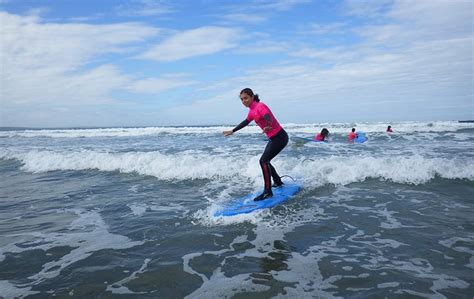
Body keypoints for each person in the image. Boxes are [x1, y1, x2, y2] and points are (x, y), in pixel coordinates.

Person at [223, 88, 288, 201]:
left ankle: (268, 192)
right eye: (242, 99)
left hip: (279, 137)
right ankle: (277, 182)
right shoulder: (252, 110)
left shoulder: (260, 106)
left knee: (263, 161)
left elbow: (268, 117)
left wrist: (268, 124)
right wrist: (232, 131)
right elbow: (246, 122)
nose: (244, 101)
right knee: (265, 161)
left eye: (246, 98)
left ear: (252, 96)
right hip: (273, 139)